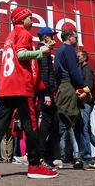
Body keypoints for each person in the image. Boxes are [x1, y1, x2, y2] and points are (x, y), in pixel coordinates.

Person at [0, 6, 58, 179]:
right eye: (30, 18)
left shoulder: (10, 36)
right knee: (31, 124)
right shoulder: (24, 34)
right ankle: (34, 165)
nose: (32, 21)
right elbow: (21, 55)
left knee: (0, 124)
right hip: (20, 85)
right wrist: (41, 51)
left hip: (7, 85)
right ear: (21, 19)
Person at [53, 28, 90, 168]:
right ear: (69, 37)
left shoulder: (59, 51)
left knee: (64, 122)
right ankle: (80, 157)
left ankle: (74, 156)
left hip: (62, 87)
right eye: (75, 36)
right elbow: (74, 71)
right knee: (73, 122)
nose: (77, 39)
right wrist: (82, 85)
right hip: (68, 87)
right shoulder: (68, 50)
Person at [36, 27, 60, 168]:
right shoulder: (43, 51)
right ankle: (41, 155)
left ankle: (44, 155)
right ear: (45, 37)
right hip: (46, 93)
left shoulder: (44, 50)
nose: (54, 39)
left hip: (48, 92)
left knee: (51, 122)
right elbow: (44, 73)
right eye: (51, 36)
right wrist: (46, 93)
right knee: (48, 122)